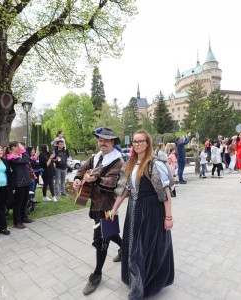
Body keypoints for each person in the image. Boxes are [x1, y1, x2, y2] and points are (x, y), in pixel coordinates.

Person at [112, 130, 174, 300]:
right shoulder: (130, 164)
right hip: (134, 211)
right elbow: (124, 189)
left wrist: (168, 217)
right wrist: (115, 207)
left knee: (144, 248)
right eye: (135, 141)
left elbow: (165, 192)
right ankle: (136, 282)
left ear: (148, 143)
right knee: (132, 247)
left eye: (141, 141)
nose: (137, 144)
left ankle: (140, 289)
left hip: (152, 211)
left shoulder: (155, 164)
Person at [72, 127, 124, 296]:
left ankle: (97, 274)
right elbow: (81, 169)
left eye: (106, 140)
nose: (102, 143)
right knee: (108, 232)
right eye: (100, 140)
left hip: (108, 206)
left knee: (101, 239)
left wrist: (98, 178)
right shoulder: (95, 157)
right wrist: (78, 179)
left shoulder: (118, 161)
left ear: (112, 142)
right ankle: (125, 249)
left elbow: (111, 182)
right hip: (95, 205)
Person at [7, 141, 33, 229]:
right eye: (19, 146)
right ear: (13, 147)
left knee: (24, 201)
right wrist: (24, 150)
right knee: (18, 203)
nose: (20, 148)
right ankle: (17, 222)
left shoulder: (19, 156)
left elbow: (26, 161)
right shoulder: (11, 158)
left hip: (26, 182)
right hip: (19, 183)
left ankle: (23, 217)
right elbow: (26, 160)